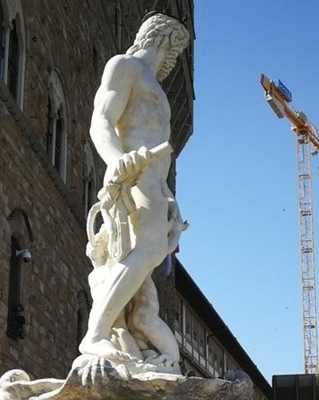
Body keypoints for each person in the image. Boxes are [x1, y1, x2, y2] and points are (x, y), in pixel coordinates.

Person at [78, 12, 190, 371]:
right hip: (133, 174)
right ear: (166, 41)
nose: (174, 61)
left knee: (142, 260)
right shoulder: (123, 65)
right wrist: (115, 160)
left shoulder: (157, 90)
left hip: (154, 183)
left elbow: (162, 150)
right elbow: (101, 121)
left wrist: (170, 198)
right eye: (176, 49)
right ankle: (95, 333)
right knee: (148, 249)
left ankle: (126, 334)